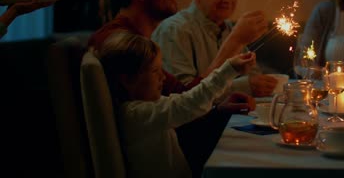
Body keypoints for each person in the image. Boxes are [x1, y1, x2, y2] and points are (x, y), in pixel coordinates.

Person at [87, 0, 261, 176]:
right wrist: (234, 43)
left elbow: (179, 96)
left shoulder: (137, 41)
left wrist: (218, 110)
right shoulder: (119, 44)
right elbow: (173, 108)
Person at [96, 32, 256, 178]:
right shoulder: (136, 115)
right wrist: (229, 69)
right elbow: (188, 103)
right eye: (155, 71)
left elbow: (185, 106)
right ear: (127, 79)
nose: (163, 77)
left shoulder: (148, 106)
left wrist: (218, 109)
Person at [152, 0, 277, 97]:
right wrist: (244, 86)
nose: (227, 0)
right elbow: (184, 97)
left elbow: (253, 76)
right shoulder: (174, 30)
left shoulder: (228, 28)